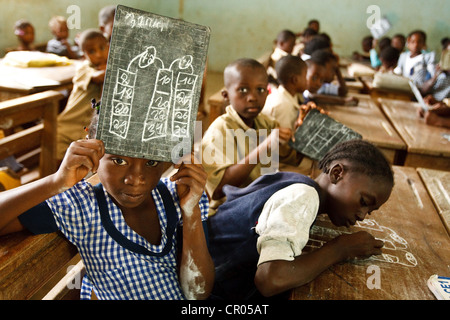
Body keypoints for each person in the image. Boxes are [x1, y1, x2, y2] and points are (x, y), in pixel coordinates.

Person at [0, 107, 214, 300]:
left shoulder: (179, 197)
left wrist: (191, 212)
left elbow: (198, 294)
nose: (135, 179)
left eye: (151, 162)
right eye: (119, 160)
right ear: (92, 150)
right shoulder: (81, 205)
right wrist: (56, 182)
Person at [207, 139, 394, 300]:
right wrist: (340, 249)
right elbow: (270, 279)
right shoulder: (304, 197)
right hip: (208, 286)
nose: (362, 215)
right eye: (363, 202)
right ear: (337, 173)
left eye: (370, 211)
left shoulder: (298, 181)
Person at [201, 58, 301, 216]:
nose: (253, 97)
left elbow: (292, 158)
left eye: (260, 90)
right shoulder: (220, 130)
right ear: (226, 95)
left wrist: (302, 130)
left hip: (258, 202)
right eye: (243, 90)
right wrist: (265, 146)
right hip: (228, 211)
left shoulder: (266, 123)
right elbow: (218, 190)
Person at [56, 29, 109, 162]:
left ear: (109, 47)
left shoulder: (107, 67)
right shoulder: (84, 68)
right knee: (59, 164)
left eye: (102, 48)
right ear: (84, 55)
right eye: (91, 51)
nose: (99, 54)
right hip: (66, 127)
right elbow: (98, 77)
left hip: (84, 130)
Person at [262, 55, 308, 131]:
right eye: (305, 76)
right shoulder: (283, 106)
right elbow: (284, 139)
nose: (307, 80)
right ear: (295, 80)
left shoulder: (287, 95)